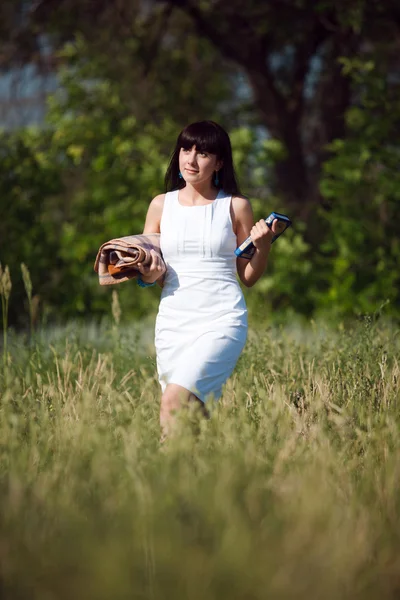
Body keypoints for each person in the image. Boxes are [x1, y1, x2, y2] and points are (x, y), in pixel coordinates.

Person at [136, 120, 282, 439]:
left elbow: (249, 276)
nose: (191, 159)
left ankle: (165, 474)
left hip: (221, 319)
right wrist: (146, 271)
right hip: (173, 323)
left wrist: (264, 246)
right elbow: (151, 274)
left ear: (219, 162)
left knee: (173, 401)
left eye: (202, 153)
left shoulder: (236, 206)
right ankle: (195, 481)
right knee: (188, 417)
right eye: (186, 149)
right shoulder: (161, 205)